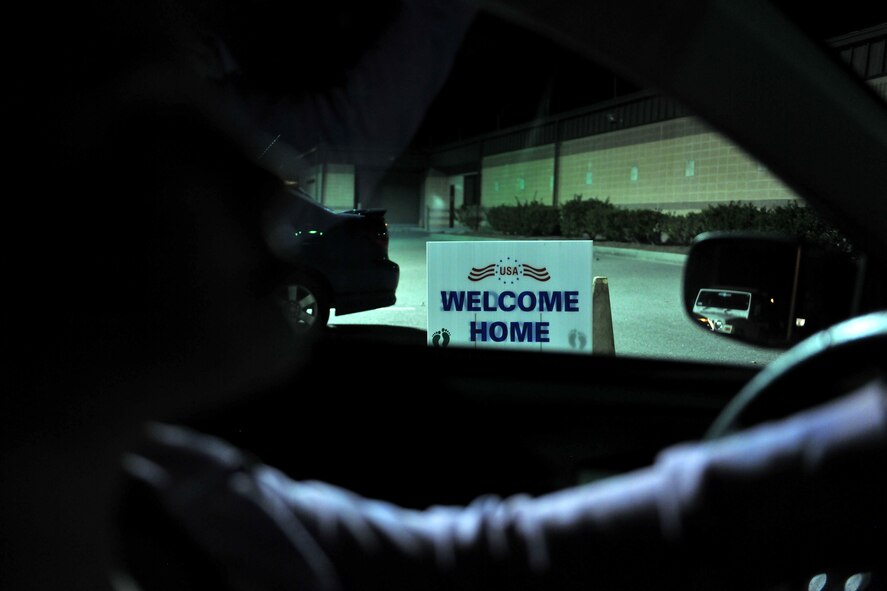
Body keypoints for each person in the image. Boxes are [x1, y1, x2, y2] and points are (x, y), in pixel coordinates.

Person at [3, 1, 886, 590]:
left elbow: (494, 561)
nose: (263, 184)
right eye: (158, 126)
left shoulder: (190, 498)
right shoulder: (187, 504)